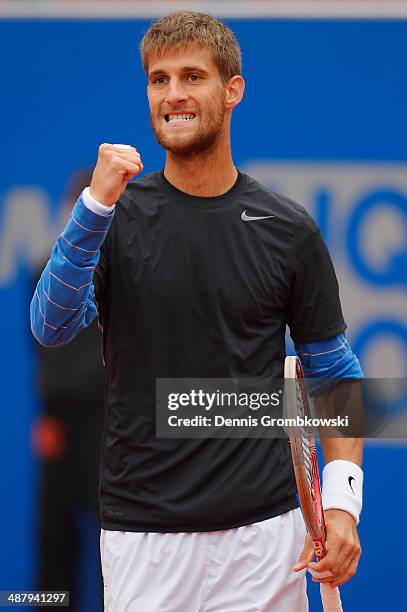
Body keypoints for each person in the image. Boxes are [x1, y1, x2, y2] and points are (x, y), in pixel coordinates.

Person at [31, 11, 364, 611]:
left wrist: (341, 504)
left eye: (192, 77)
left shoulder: (288, 230)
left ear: (232, 90)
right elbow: (51, 326)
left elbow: (336, 375)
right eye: (159, 80)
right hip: (142, 540)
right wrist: (91, 208)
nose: (174, 94)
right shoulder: (111, 217)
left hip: (267, 539)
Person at [31, 169, 104, 611]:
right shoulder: (45, 271)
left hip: (110, 427)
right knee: (53, 540)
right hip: (58, 426)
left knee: (113, 543)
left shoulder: (123, 274)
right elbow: (42, 350)